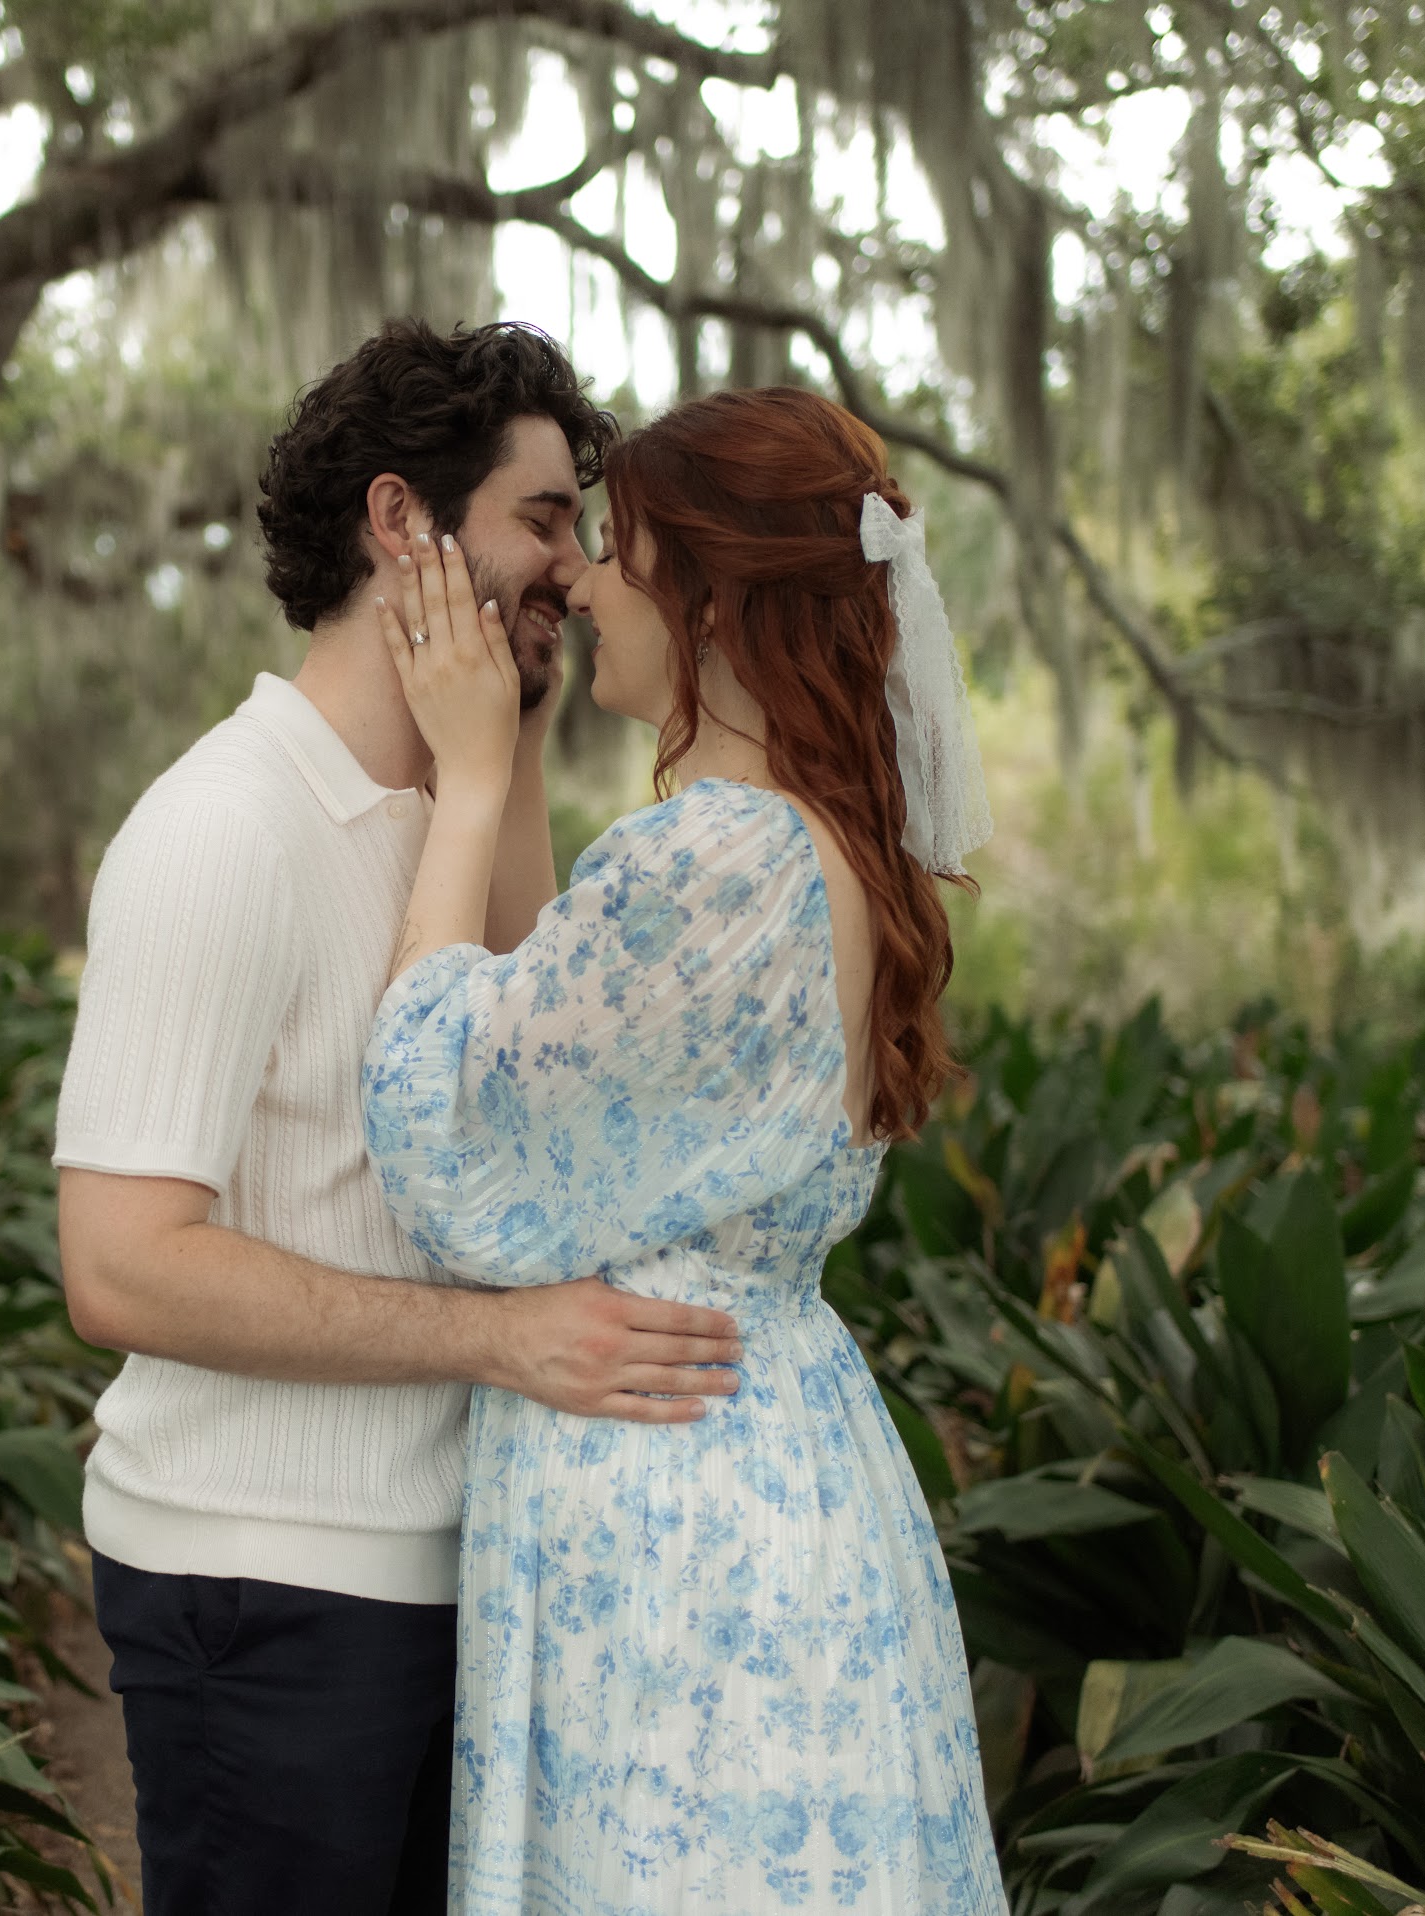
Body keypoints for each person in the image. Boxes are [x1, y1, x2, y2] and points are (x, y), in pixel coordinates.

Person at [52, 320, 750, 1916]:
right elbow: (122, 1270)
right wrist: (497, 1341)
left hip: (461, 1572)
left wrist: (494, 773)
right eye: (547, 519)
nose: (575, 570)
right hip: (266, 1583)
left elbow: (544, 1135)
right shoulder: (221, 831)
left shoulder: (451, 819)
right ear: (399, 526)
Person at [361, 386, 1012, 1914]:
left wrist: (461, 777)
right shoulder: (814, 841)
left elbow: (447, 1121)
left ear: (711, 598)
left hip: (678, 1522)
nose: (578, 577)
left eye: (620, 548)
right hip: (768, 1449)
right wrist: (510, 755)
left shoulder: (714, 855)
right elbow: (563, 1037)